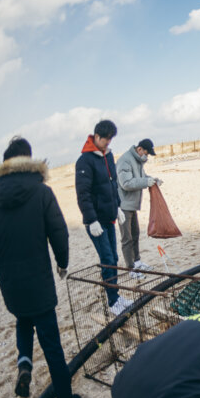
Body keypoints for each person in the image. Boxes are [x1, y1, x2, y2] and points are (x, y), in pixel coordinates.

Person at [0, 137, 81, 398]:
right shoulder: (41, 192)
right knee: (52, 346)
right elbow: (60, 232)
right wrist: (63, 262)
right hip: (39, 285)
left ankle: (24, 363)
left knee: (23, 321)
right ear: (28, 160)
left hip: (11, 288)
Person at [76, 118, 131, 316]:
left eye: (110, 139)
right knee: (107, 258)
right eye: (105, 139)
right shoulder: (84, 161)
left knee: (114, 258)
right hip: (96, 222)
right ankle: (112, 301)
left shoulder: (108, 156)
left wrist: (118, 207)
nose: (108, 142)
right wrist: (91, 220)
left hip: (109, 218)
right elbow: (83, 194)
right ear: (96, 136)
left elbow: (112, 184)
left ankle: (116, 296)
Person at [116, 138, 160, 277]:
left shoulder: (137, 161)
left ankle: (137, 262)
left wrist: (152, 180)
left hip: (132, 205)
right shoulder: (125, 160)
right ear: (139, 149)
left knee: (135, 234)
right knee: (127, 238)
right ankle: (131, 269)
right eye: (146, 153)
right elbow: (126, 183)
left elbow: (141, 176)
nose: (146, 157)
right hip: (123, 206)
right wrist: (146, 182)